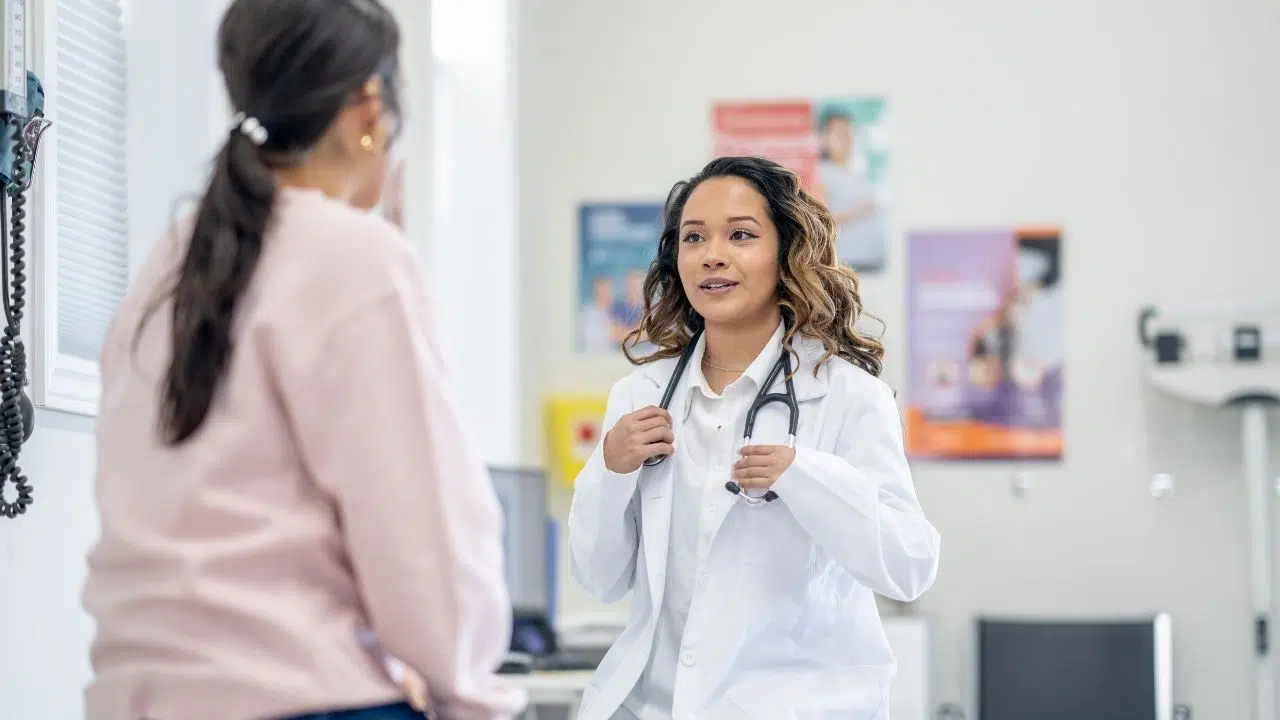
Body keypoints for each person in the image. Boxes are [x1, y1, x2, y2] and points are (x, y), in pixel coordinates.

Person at [80, 2, 524, 719]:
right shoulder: (353, 256)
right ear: (370, 105)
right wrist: (472, 694)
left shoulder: (169, 268)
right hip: (305, 698)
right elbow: (425, 550)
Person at [566, 156, 941, 719]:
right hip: (653, 706)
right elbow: (601, 578)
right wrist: (610, 471)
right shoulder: (641, 395)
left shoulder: (848, 396)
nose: (712, 254)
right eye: (694, 237)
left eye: (740, 235)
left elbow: (908, 567)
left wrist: (805, 476)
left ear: (787, 254)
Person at [813, 109, 886, 270]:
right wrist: (857, 212)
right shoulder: (821, 173)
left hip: (873, 260)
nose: (847, 138)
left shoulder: (856, 173)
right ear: (824, 138)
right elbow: (820, 221)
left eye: (850, 133)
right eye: (840, 133)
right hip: (848, 265)